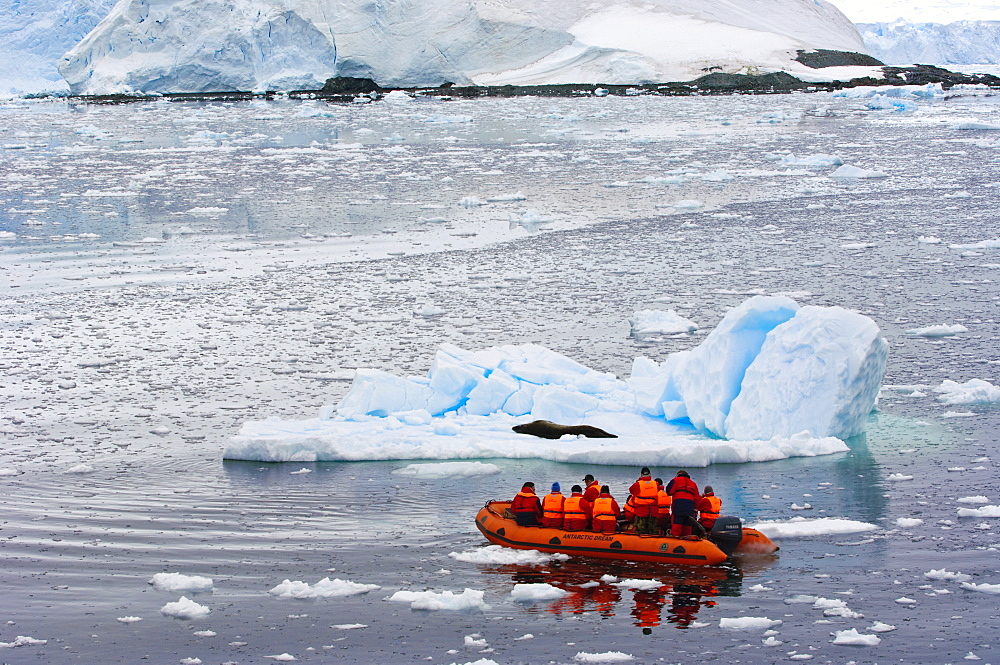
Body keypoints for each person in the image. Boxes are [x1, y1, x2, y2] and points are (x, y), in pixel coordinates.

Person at [665, 470, 701, 537]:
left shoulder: (675, 480)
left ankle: (675, 541)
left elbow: (669, 491)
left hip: (678, 505)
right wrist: (695, 511)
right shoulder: (693, 484)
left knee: (676, 527)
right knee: (687, 528)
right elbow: (697, 498)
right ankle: (687, 543)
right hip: (690, 507)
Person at [629, 467, 659, 535]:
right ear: (650, 474)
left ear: (641, 474)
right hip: (653, 509)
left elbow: (631, 491)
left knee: (641, 529)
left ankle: (641, 543)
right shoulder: (655, 483)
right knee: (653, 528)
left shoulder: (638, 484)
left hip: (641, 510)